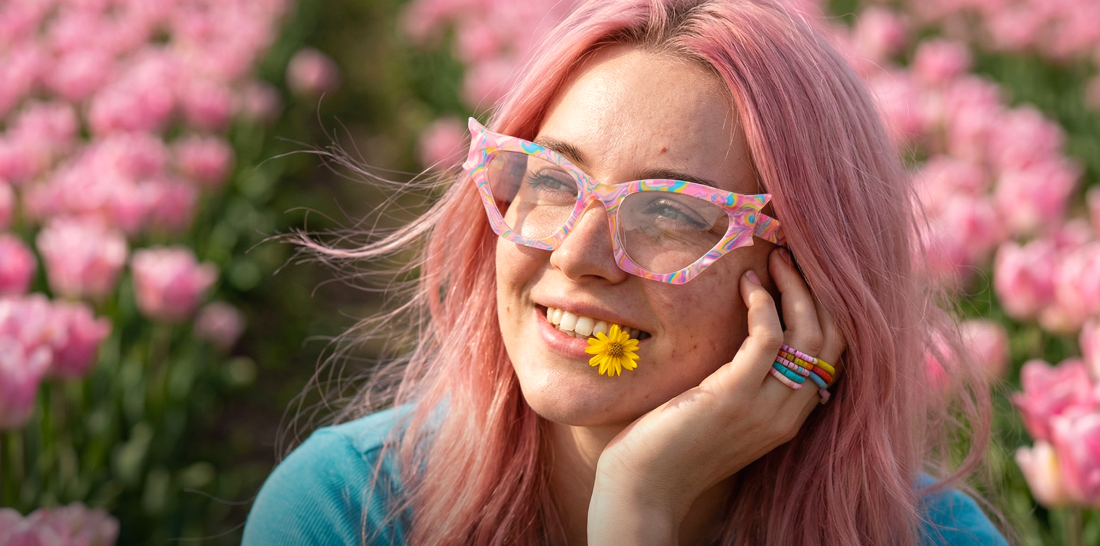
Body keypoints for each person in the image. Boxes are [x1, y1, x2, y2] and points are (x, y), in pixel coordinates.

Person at [243, 0, 1010, 544]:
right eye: (549, 182)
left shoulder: (931, 537)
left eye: (671, 214)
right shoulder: (345, 515)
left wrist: (636, 508)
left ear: (807, 280)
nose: (577, 256)